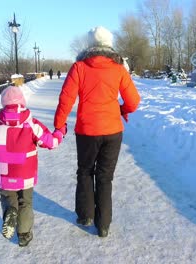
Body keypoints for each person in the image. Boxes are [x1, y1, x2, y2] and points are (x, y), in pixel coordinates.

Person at [53, 26, 140, 238]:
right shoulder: (119, 69)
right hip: (112, 132)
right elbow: (134, 101)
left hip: (87, 131)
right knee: (105, 177)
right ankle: (103, 225)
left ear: (90, 44)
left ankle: (85, 216)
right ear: (108, 44)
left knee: (85, 171)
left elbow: (66, 99)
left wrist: (59, 125)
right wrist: (121, 109)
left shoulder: (80, 67)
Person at [0, 86, 66, 247]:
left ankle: (10, 211)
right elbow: (50, 142)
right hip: (25, 172)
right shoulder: (31, 124)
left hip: (4, 172)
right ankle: (24, 234)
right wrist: (60, 132)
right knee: (25, 202)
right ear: (22, 103)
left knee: (8, 199)